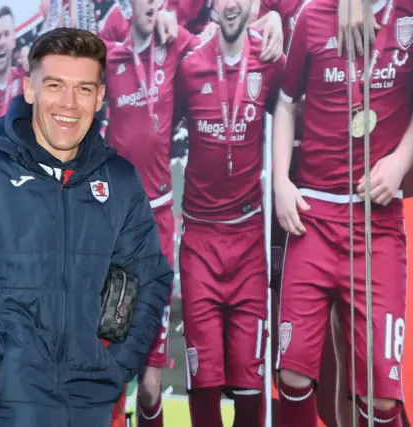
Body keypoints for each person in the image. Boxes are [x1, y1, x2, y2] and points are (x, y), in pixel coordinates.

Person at [0, 27, 173, 427]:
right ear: (30, 89)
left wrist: (116, 368)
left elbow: (150, 279)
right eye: (54, 85)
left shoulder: (119, 181)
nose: (69, 103)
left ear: (100, 97)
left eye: (84, 89)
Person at [273, 0, 413, 425]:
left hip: (377, 225)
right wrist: (281, 181)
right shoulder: (313, 15)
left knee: (383, 396)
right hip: (312, 218)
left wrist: (400, 161)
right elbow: (284, 101)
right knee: (292, 375)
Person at [175, 0, 285, 425]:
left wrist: (278, 21)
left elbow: (293, 108)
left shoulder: (271, 60)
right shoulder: (190, 68)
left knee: (249, 390)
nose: (233, 4)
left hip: (248, 244)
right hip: (200, 243)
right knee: (203, 388)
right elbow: (159, 131)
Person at [103, 1, 199, 425]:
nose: (153, 4)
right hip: (116, 227)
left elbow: (215, 50)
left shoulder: (176, 45)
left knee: (149, 383)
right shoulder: (108, 55)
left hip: (158, 223)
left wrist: (176, 29)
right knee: (110, 366)